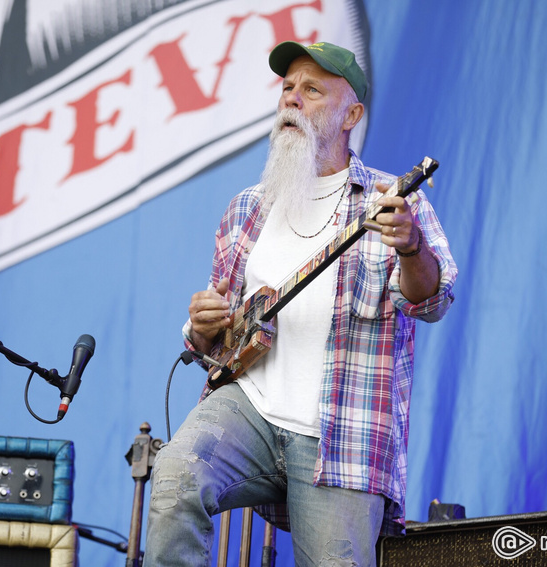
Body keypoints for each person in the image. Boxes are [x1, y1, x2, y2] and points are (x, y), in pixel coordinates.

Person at [143, 41, 457, 566]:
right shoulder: (247, 206)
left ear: (350, 114)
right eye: (287, 88)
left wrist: (411, 245)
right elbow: (222, 337)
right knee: (174, 474)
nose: (292, 99)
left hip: (343, 437)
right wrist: (202, 327)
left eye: (311, 89)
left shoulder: (394, 200)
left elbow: (434, 300)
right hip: (252, 409)